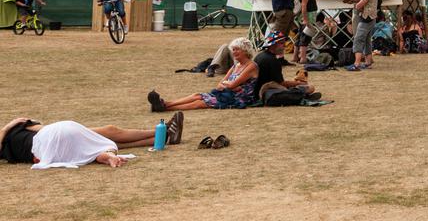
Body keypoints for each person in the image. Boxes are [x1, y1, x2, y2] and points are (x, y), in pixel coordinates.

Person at [3, 113, 184, 169]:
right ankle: (162, 132)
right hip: (51, 139)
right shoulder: (10, 131)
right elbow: (44, 129)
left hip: (48, 147)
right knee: (110, 131)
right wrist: (6, 127)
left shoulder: (12, 133)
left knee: (104, 138)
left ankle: (163, 136)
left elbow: (42, 128)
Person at [150, 37, 258, 111]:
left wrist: (230, 86)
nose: (234, 52)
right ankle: (166, 104)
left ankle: (164, 107)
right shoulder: (236, 66)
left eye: (237, 50)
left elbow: (231, 85)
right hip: (227, 93)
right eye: (233, 50)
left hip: (238, 98)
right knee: (197, 95)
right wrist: (230, 86)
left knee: (199, 103)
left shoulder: (251, 66)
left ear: (245, 50)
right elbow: (220, 85)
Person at [254, 29, 319, 103]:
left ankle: (300, 95)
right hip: (265, 93)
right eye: (282, 43)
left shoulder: (260, 56)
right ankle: (301, 96)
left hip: (257, 90)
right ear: (273, 45)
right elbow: (281, 83)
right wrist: (299, 83)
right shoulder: (273, 61)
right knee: (310, 88)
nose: (284, 46)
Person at [347, 0, 381, 72]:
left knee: (358, 39)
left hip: (366, 18)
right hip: (371, 18)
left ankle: (356, 64)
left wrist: (352, 1)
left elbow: (358, 6)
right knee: (367, 40)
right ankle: (368, 62)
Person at [293, 0, 321, 65]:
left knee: (300, 36)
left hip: (305, 16)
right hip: (307, 16)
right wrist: (306, 20)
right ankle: (303, 58)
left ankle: (295, 57)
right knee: (305, 37)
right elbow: (304, 5)